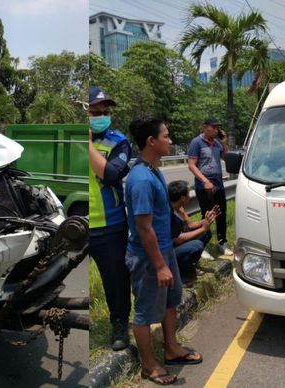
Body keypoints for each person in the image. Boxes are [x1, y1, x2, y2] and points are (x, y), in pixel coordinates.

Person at [125, 117, 202, 385]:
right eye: (166, 136)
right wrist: (160, 265)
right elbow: (144, 228)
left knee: (171, 301)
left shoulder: (154, 170)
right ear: (151, 141)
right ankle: (149, 365)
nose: (170, 141)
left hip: (164, 249)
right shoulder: (141, 179)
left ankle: (172, 348)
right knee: (145, 313)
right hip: (149, 258)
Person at [88, 86, 133, 351]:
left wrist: (87, 143)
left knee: (116, 280)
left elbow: (112, 175)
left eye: (106, 111)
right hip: (77, 222)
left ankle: (119, 324)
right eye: (96, 111)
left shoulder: (118, 141)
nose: (103, 115)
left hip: (110, 226)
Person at [187, 117, 234, 256]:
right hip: (204, 185)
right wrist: (204, 180)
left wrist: (224, 143)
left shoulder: (217, 143)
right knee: (207, 215)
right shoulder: (197, 142)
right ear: (205, 126)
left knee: (221, 214)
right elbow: (191, 165)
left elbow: (226, 158)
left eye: (217, 127)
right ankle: (202, 245)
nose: (216, 130)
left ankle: (222, 242)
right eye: (213, 127)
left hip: (218, 183)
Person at [168, 180, 218, 277]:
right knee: (197, 245)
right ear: (182, 198)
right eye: (188, 194)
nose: (190, 197)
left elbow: (190, 225)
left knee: (207, 234)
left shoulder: (179, 208)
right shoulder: (168, 213)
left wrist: (205, 221)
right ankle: (182, 272)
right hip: (170, 251)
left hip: (177, 244)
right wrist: (203, 228)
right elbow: (178, 239)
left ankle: (189, 264)